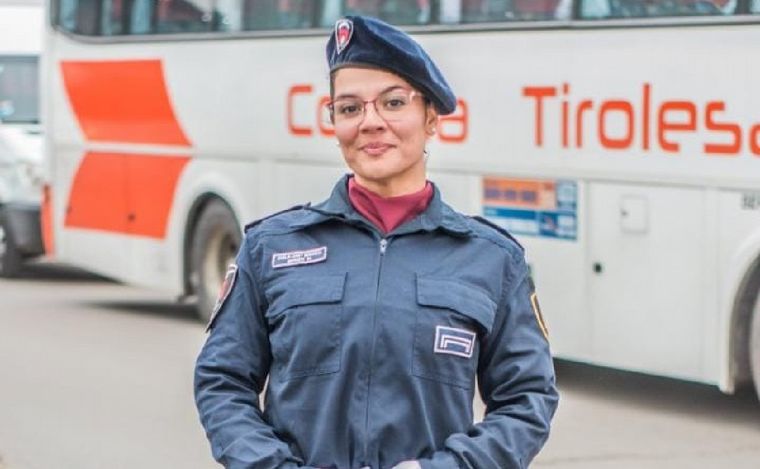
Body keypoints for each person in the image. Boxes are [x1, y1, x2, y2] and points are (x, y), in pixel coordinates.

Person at [194, 15, 558, 469]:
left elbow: (527, 400)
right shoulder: (269, 248)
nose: (371, 123)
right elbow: (222, 380)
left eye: (393, 103)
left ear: (430, 118)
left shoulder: (492, 260)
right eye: (349, 109)